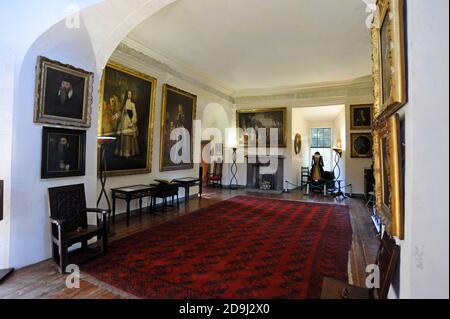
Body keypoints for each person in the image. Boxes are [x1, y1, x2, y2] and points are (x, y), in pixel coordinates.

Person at [114, 90, 140, 158]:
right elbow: (120, 112)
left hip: (129, 122)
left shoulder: (132, 104)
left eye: (130, 94)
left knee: (128, 138)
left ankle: (128, 153)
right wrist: (115, 116)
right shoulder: (124, 104)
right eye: (128, 94)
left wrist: (132, 122)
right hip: (123, 122)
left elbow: (135, 114)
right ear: (126, 95)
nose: (129, 95)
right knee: (123, 137)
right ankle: (122, 153)